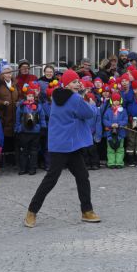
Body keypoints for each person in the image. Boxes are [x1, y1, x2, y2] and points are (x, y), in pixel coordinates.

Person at [23, 69, 101, 227]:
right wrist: (91, 104)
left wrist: (81, 96)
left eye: (78, 81)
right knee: (52, 179)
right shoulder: (75, 98)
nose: (77, 84)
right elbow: (89, 113)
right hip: (64, 145)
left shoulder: (57, 96)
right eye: (74, 82)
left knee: (81, 176)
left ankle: (87, 211)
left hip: (67, 144)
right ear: (66, 85)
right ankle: (31, 211)